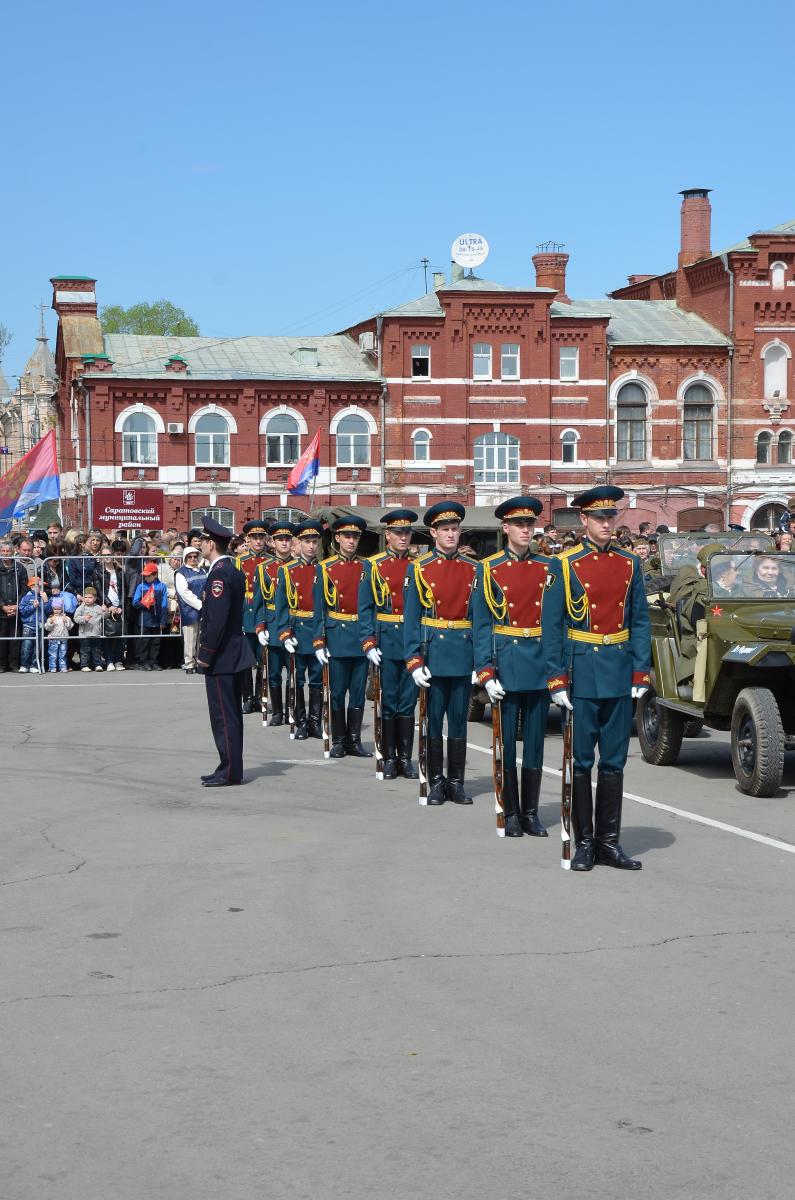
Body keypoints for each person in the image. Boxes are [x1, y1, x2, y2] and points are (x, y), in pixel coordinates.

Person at [544, 485, 651, 872]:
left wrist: (641, 670)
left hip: (619, 668)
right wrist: (556, 679)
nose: (607, 524)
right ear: (584, 520)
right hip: (582, 671)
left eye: (611, 517)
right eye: (599, 518)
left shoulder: (630, 564)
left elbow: (640, 621)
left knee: (615, 762)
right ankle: (585, 841)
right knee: (583, 761)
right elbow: (552, 626)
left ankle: (609, 841)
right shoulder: (565, 564)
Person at [473, 496, 554, 837]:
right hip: (506, 662)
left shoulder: (548, 567)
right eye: (519, 524)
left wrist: (558, 670)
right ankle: (510, 811)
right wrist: (485, 670)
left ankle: (531, 812)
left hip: (538, 660)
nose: (525, 530)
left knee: (535, 741)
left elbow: (557, 623)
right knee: (505, 742)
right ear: (505, 528)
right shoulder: (488, 568)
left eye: (530, 524)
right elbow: (480, 625)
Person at [404, 500, 477, 806]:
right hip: (433, 654)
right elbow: (411, 618)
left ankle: (456, 782)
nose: (451, 534)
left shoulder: (474, 568)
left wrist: (480, 660)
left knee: (459, 721)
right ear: (433, 532)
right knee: (434, 721)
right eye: (445, 529)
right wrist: (414, 659)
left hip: (462, 652)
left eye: (455, 529)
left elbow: (481, 618)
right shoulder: (419, 568)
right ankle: (436, 781)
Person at [358, 509, 420, 779]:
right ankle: (389, 756)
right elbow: (365, 607)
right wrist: (369, 641)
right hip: (386, 639)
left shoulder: (419, 565)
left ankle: (405, 757)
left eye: (407, 532)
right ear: (388, 535)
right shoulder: (373, 565)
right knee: (389, 701)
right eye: (398, 532)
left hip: (412, 639)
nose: (403, 537)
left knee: (408, 702)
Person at [196, 517, 254, 787]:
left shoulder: (220, 574)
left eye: (203, 541)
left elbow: (216, 620)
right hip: (230, 652)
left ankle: (229, 770)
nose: (200, 545)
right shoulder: (230, 569)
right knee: (228, 715)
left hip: (222, 655)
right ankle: (228, 765)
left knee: (224, 716)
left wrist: (205, 653)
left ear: (210, 543)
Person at [317, 516, 371, 758]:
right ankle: (339, 739)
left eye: (355, 536)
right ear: (337, 538)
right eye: (347, 536)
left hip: (360, 636)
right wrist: (320, 641)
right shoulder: (326, 568)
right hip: (337, 634)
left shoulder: (367, 567)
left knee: (358, 692)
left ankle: (354, 739)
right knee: (337, 692)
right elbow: (319, 608)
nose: (351, 541)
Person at [275, 520, 325, 740]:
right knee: (296, 679)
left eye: (315, 542)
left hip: (317, 630)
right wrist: (285, 633)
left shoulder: (324, 569)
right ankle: (301, 720)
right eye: (307, 542)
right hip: (297, 631)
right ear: (298, 543)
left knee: (317, 679)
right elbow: (282, 606)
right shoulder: (287, 571)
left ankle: (315, 721)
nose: (311, 546)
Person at [253, 520, 296, 725]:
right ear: (272, 542)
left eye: (288, 539)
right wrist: (260, 626)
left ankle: (292, 710)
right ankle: (278, 712)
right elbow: (258, 602)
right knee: (273, 672)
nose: (284, 543)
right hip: (271, 625)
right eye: (280, 539)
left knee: (294, 674)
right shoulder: (264, 568)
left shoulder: (299, 566)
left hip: (293, 626)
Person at [132, 561, 169, 670]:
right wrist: (145, 603)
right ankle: (144, 662)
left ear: (155, 575)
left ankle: (154, 662)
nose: (146, 578)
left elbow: (164, 605)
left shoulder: (162, 587)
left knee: (156, 642)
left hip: (157, 620)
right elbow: (135, 602)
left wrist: (163, 620)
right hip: (145, 619)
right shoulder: (141, 586)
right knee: (145, 641)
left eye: (148, 576)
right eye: (145, 575)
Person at [175, 545, 206, 672]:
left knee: (201, 637)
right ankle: (189, 663)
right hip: (189, 609)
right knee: (190, 638)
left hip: (203, 608)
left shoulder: (202, 571)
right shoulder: (181, 572)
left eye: (195, 556)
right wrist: (200, 604)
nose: (193, 559)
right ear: (185, 558)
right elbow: (184, 592)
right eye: (190, 557)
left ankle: (199, 662)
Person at [0, 539, 28, 672]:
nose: (6, 554)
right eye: (3, 551)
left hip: (16, 608)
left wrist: (17, 605)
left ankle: (13, 664)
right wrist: (3, 606)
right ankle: (1, 665)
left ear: (13, 552)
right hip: (1, 609)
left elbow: (24, 589)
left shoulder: (20, 568)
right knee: (2, 638)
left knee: (15, 639)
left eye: (8, 551)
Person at [73, 585, 106, 671]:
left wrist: (105, 610)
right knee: (85, 650)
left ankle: (97, 664)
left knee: (97, 650)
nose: (87, 599)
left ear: (95, 598)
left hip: (96, 633)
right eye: (85, 597)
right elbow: (76, 618)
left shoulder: (98, 608)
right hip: (84, 633)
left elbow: (105, 616)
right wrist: (84, 619)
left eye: (90, 597)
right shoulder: (81, 607)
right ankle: (84, 665)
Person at [18, 576, 46, 673]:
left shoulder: (43, 597)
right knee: (26, 646)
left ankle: (34, 665)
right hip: (28, 626)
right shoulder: (26, 598)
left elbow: (49, 610)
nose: (41, 588)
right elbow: (22, 610)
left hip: (40, 626)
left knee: (37, 648)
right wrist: (33, 607)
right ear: (32, 587)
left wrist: (46, 601)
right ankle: (24, 665)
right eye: (39, 586)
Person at [44, 596, 73, 672]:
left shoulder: (66, 617)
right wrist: (50, 623)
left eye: (59, 609)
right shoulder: (50, 618)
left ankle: (63, 667)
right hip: (53, 639)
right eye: (55, 609)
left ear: (62, 609)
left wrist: (66, 621)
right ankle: (52, 667)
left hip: (63, 638)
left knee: (63, 654)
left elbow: (70, 627)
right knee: (52, 655)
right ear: (53, 609)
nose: (57, 611)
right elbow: (47, 628)